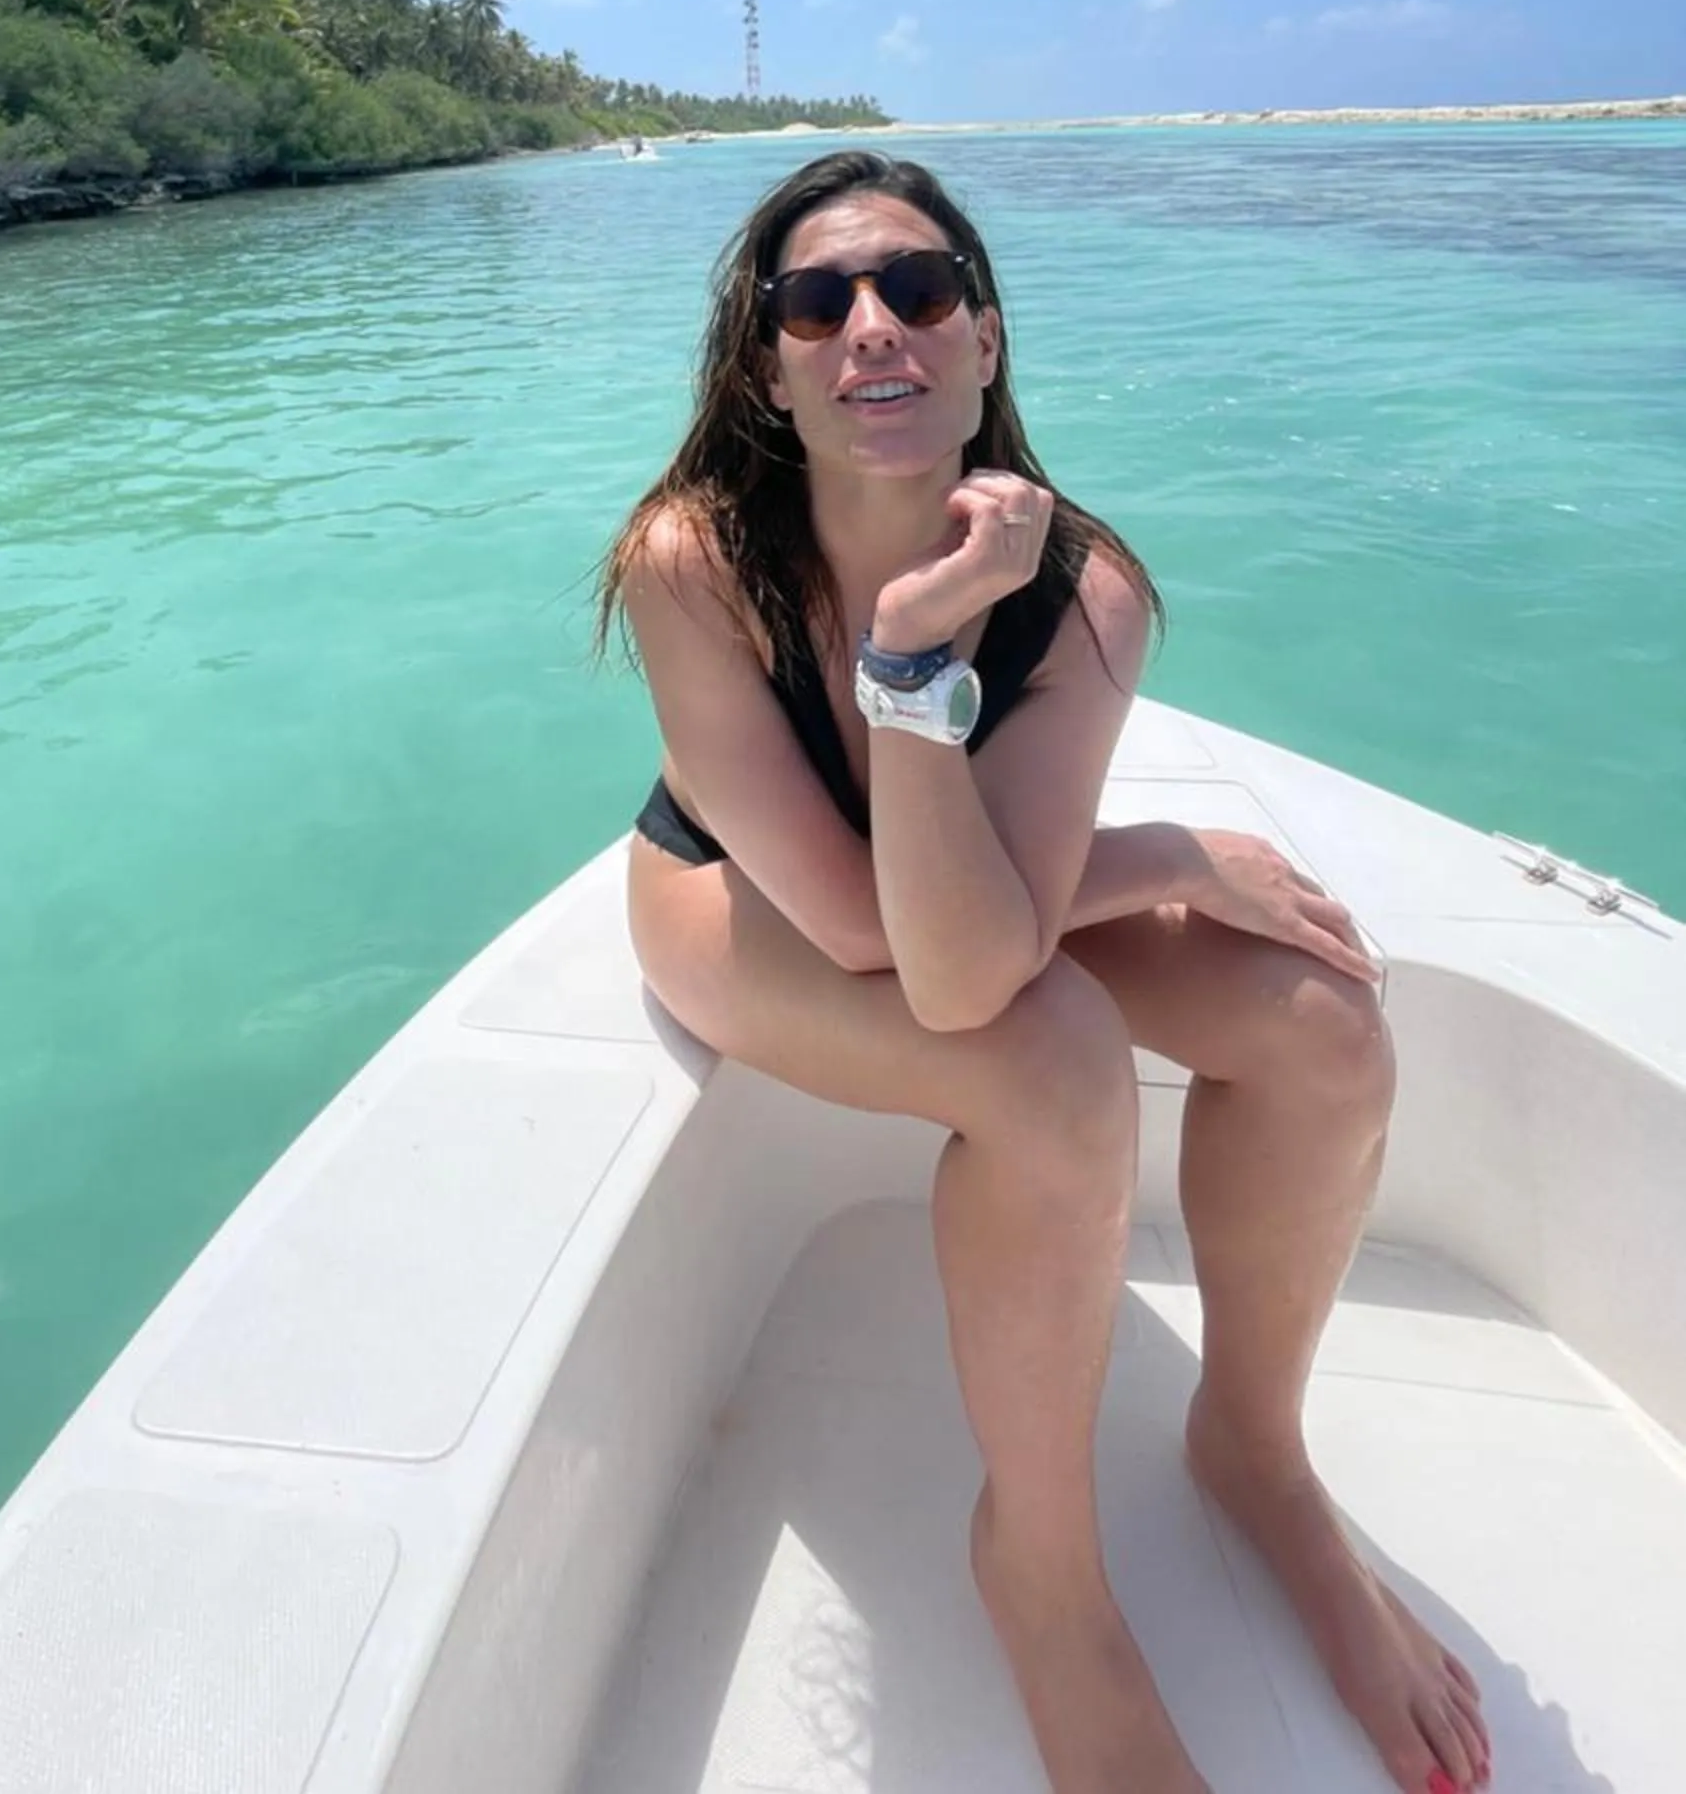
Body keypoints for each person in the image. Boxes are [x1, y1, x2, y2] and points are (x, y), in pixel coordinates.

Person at [598, 150, 1490, 1794]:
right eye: (817, 303)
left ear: (983, 341)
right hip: (745, 903)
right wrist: (1142, 841)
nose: (873, 324)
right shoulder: (693, 562)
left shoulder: (1082, 591)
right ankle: (1043, 1570)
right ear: (769, 370)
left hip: (964, 898)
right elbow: (884, 945)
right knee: (1046, 1049)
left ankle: (1255, 1453)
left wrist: (951, 666)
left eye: (919, 287)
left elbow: (967, 928)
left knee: (1317, 1021)